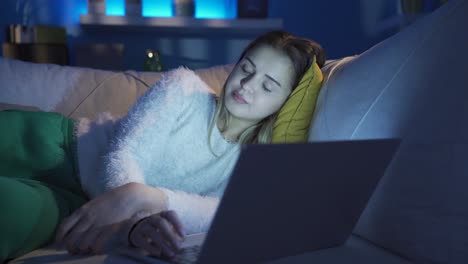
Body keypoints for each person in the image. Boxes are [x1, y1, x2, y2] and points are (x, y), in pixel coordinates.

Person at [0, 30, 325, 262]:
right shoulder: (182, 89)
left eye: (268, 86)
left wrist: (147, 198)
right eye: (246, 69)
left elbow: (219, 213)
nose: (247, 86)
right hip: (52, 143)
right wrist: (133, 199)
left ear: (286, 104)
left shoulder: (250, 166)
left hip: (78, 207)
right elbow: (124, 153)